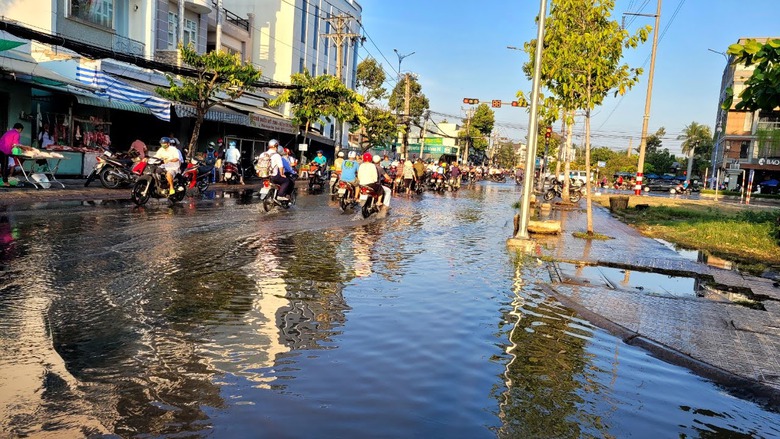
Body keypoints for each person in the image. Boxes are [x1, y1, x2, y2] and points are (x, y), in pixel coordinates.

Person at [0, 123, 23, 187]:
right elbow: (15, 144)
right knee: (4, 166)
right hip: (4, 150)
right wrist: (23, 147)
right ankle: (5, 182)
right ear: (20, 129)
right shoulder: (17, 134)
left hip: (1, 148)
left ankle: (4, 180)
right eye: (21, 130)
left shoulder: (8, 132)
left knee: (3, 165)